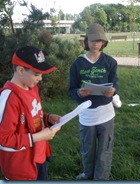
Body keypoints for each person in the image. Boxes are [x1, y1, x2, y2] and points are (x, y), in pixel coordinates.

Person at [0, 45, 61, 180]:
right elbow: (3, 140)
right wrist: (38, 137)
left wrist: (48, 118)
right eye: (37, 74)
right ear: (21, 70)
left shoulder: (32, 88)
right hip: (21, 167)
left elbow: (32, 117)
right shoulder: (9, 98)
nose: (40, 78)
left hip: (39, 157)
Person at [68, 23, 119, 180]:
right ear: (86, 41)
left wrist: (113, 91)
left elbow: (115, 84)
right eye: (92, 40)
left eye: (99, 40)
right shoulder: (77, 64)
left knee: (105, 148)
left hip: (106, 114)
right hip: (86, 115)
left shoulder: (110, 62)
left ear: (103, 42)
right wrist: (79, 92)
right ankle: (88, 174)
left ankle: (101, 177)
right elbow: (71, 90)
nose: (95, 44)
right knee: (87, 148)